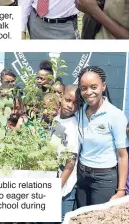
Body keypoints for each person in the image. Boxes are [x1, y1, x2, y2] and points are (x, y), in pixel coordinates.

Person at [74, 66, 128, 207]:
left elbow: (122, 155)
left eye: (93, 87)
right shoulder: (79, 113)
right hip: (82, 174)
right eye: (84, 88)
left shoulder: (115, 115)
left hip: (103, 179)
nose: (89, 92)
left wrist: (121, 190)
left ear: (103, 86)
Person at [54, 84, 80, 217]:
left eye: (75, 103)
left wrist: (58, 186)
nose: (70, 106)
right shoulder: (55, 120)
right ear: (61, 96)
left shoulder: (72, 127)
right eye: (68, 100)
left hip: (65, 188)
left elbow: (71, 162)